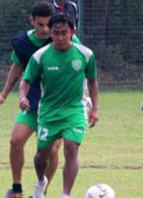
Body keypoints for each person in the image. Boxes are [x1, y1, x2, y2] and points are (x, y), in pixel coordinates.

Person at [20, 13, 99, 198]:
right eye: (56, 33)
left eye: (64, 33)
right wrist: (22, 97)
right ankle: (41, 181)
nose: (60, 37)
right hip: (48, 111)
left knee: (71, 148)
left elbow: (93, 81)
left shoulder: (85, 55)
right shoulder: (41, 56)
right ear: (50, 33)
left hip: (75, 109)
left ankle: (65, 195)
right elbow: (26, 80)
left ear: (73, 31)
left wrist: (95, 108)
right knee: (42, 156)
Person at [0, 1, 61, 198]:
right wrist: (4, 95)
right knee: (15, 140)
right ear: (32, 21)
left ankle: (41, 194)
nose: (46, 30)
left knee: (52, 151)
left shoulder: (64, 39)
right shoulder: (22, 43)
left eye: (49, 24)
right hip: (32, 104)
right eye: (40, 25)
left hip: (57, 107)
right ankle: (17, 190)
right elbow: (16, 68)